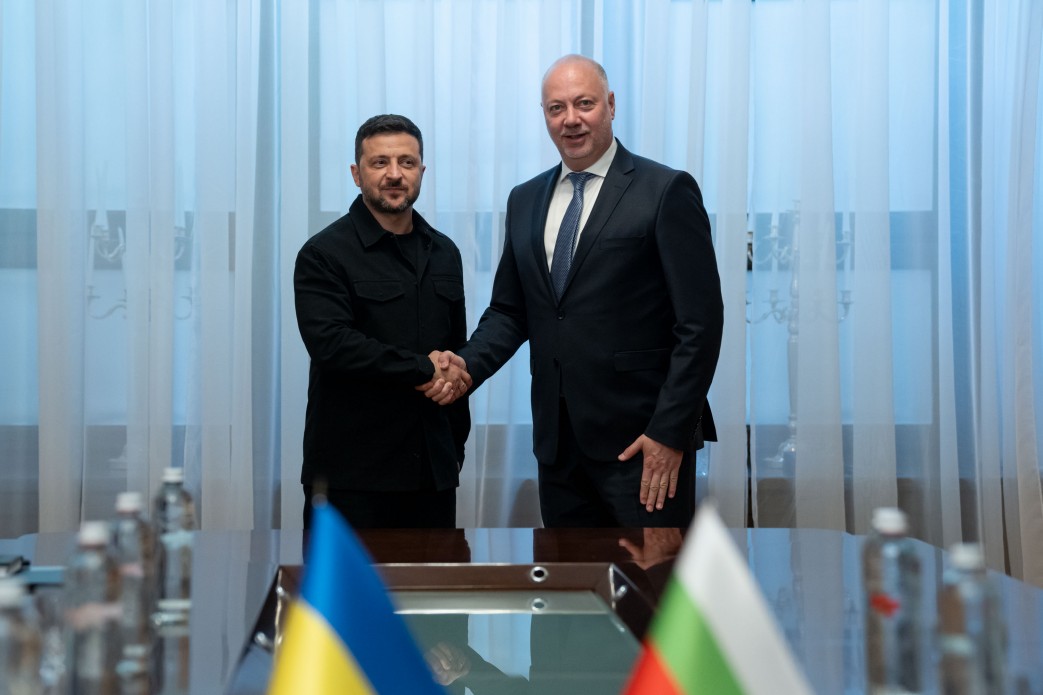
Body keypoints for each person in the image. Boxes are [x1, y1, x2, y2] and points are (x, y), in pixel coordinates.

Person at [425, 55, 723, 528]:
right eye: (556, 108)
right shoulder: (525, 199)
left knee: (651, 577)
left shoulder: (665, 190)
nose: (570, 119)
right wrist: (466, 367)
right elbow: (510, 311)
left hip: (643, 446)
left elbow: (700, 324)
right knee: (568, 575)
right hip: (558, 447)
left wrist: (670, 432)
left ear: (611, 105)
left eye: (584, 104)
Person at [294, 114, 471, 530]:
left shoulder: (445, 252)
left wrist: (455, 447)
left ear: (422, 171)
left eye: (407, 162)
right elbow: (333, 346)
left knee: (437, 577)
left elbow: (455, 354)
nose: (394, 174)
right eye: (380, 163)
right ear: (356, 174)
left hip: (433, 474)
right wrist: (423, 368)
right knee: (344, 579)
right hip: (351, 479)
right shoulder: (323, 254)